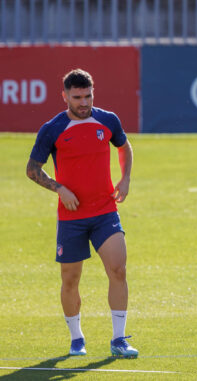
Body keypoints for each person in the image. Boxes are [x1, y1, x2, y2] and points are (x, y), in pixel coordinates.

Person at [26, 69, 138, 358]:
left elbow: (124, 146)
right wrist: (59, 188)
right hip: (71, 217)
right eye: (77, 97)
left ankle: (119, 339)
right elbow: (32, 169)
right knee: (70, 280)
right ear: (64, 96)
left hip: (105, 211)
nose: (84, 102)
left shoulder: (107, 120)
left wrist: (124, 179)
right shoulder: (52, 129)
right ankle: (76, 338)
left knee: (118, 269)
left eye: (88, 96)